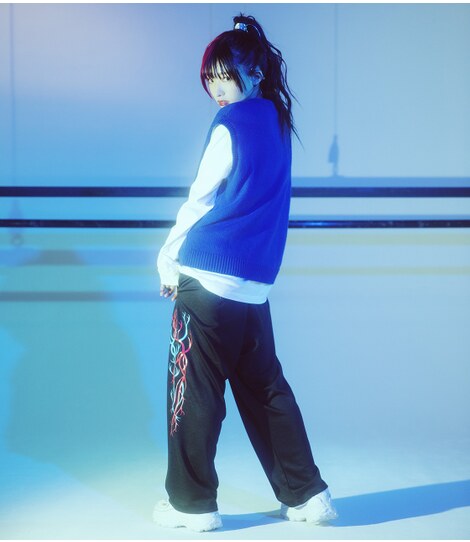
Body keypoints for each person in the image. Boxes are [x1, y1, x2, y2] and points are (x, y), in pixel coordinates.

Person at [153, 13, 338, 532]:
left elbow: (200, 198)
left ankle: (192, 505)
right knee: (265, 389)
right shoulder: (278, 121)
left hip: (206, 277)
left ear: (254, 72)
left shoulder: (230, 123)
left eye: (224, 77)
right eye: (210, 79)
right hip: (254, 284)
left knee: (194, 390)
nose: (217, 90)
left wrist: (166, 259)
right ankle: (306, 495)